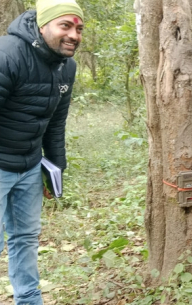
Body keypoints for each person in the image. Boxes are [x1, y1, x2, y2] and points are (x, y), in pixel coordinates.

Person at [0, 0, 84, 303]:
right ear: (42, 25)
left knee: (25, 238)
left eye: (78, 28)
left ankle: (30, 300)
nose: (74, 34)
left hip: (30, 166)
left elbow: (55, 124)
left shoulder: (67, 66)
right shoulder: (7, 54)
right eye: (66, 26)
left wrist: (55, 171)